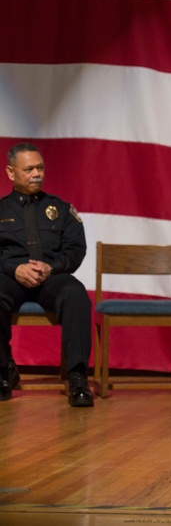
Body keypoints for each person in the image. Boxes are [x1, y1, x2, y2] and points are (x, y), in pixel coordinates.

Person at [0, 143, 93, 407]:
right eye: (28, 169)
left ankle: (77, 378)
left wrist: (53, 267)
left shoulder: (61, 209)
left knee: (76, 294)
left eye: (39, 167)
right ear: (10, 172)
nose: (36, 174)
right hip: (10, 277)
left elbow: (76, 250)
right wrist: (13, 268)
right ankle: (2, 371)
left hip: (51, 277)